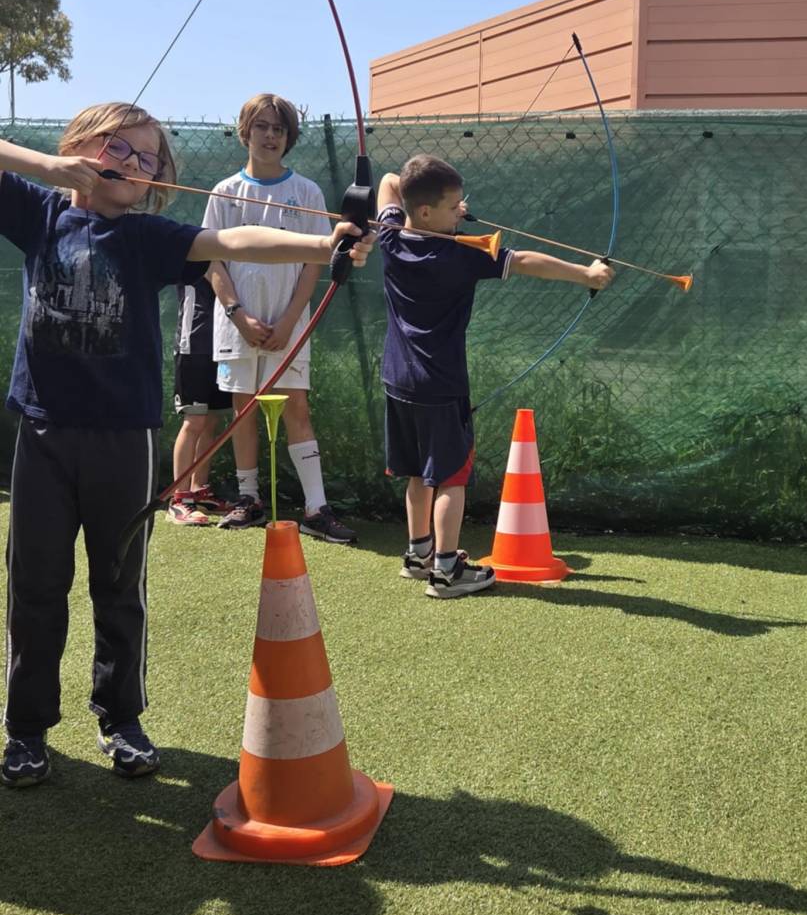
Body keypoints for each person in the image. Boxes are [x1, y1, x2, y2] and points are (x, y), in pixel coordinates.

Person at [0, 103, 371, 789]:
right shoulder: (40, 214)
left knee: (119, 587)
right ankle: (26, 731)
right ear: (80, 147)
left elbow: (239, 243)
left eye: (150, 160)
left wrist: (326, 246)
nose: (135, 165)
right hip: (44, 433)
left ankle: (120, 718)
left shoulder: (148, 237)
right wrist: (49, 169)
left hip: (124, 438)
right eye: (120, 148)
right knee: (35, 588)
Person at [377, 154, 614, 599]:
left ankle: (417, 554)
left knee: (415, 470)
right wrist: (586, 273)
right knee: (449, 476)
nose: (460, 212)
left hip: (397, 379)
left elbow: (392, 180)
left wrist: (442, 209)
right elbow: (523, 260)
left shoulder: (390, 235)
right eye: (452, 206)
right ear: (426, 212)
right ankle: (446, 571)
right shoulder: (459, 254)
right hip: (440, 384)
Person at [203, 93, 356, 543]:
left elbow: (316, 262)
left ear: (288, 137)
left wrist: (290, 321)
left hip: (289, 325)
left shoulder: (306, 192)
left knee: (298, 409)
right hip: (236, 326)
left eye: (279, 129)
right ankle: (248, 499)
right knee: (242, 409)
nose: (270, 136)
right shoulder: (224, 192)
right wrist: (238, 315)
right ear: (245, 131)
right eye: (262, 126)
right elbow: (212, 262)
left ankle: (315, 507)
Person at [168, 278, 234, 525]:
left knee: (210, 421)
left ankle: (199, 491)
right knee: (194, 421)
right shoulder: (194, 243)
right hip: (192, 342)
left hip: (222, 342)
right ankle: (179, 499)